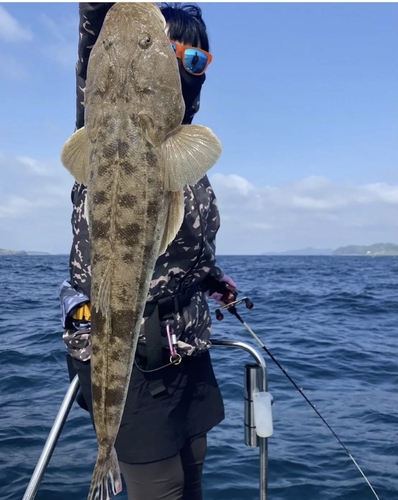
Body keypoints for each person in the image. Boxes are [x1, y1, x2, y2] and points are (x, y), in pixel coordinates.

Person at [59, 3, 237, 500]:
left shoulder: (179, 145)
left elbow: (181, 244)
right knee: (164, 491)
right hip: (130, 358)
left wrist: (211, 278)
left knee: (193, 476)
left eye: (200, 58)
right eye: (178, 52)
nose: (190, 67)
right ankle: (103, 458)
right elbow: (97, 27)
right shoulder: (96, 125)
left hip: (186, 350)